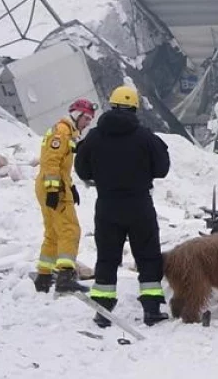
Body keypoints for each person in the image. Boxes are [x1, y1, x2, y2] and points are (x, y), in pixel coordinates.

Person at [74, 85, 171, 327]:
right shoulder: (145, 137)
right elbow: (162, 169)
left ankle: (102, 312)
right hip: (139, 205)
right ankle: (151, 311)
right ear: (135, 108)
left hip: (107, 206)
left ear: (112, 105)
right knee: (148, 257)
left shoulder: (94, 136)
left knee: (107, 258)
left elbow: (82, 169)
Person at [33, 98, 97, 294]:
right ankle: (65, 277)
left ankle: (43, 277)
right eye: (86, 118)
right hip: (54, 187)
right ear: (77, 115)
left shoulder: (65, 132)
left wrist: (70, 185)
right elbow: (51, 161)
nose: (87, 123)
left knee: (52, 232)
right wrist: (55, 189)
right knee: (70, 230)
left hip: (50, 185)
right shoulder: (62, 132)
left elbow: (60, 165)